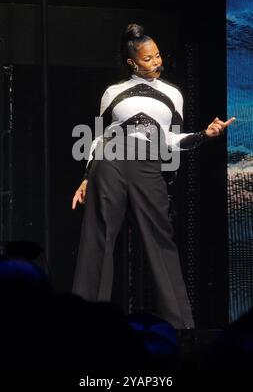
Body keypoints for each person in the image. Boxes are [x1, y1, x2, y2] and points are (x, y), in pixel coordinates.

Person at [72, 23, 235, 329]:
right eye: (148, 59)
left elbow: (171, 141)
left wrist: (204, 134)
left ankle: (182, 327)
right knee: (99, 236)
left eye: (158, 55)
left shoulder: (172, 94)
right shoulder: (113, 93)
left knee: (160, 240)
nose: (157, 62)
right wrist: (85, 177)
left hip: (147, 163)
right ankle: (85, 323)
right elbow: (100, 137)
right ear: (132, 62)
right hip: (110, 159)